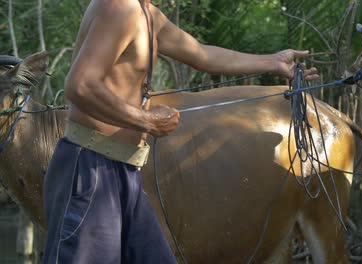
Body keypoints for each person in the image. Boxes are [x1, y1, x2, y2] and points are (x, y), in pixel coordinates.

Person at [42, 0, 320, 263]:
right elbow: (80, 85)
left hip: (125, 172)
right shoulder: (119, 7)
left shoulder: (147, 14)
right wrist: (146, 121)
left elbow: (202, 54)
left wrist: (273, 61)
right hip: (90, 171)